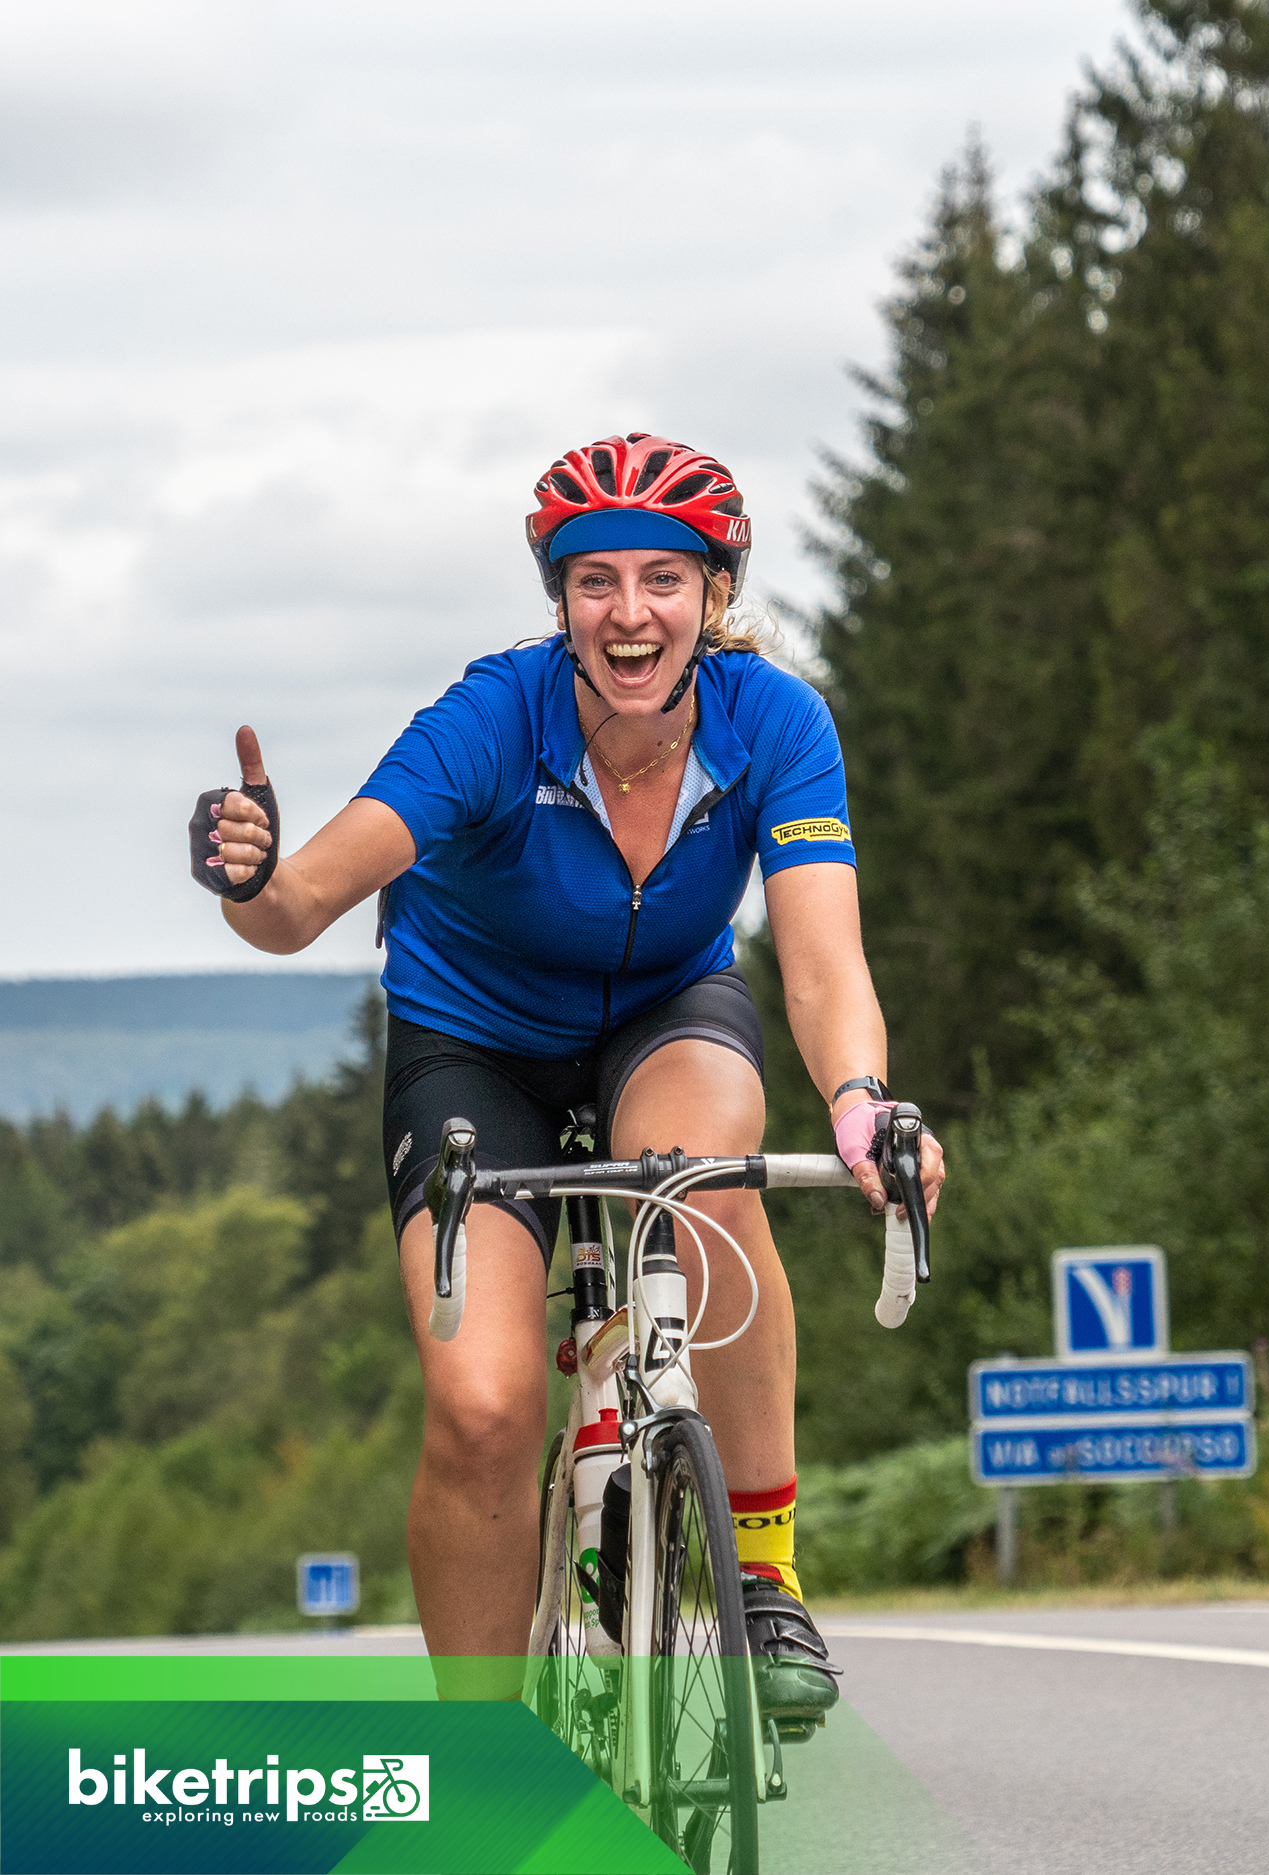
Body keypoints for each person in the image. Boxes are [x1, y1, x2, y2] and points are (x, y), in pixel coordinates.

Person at [189, 432, 945, 1712]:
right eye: (597, 580)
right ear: (560, 602)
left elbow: (820, 967)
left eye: (665, 576)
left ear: (715, 594)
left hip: (666, 1016)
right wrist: (252, 875)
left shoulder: (777, 723)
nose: (631, 611)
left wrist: (865, 1103)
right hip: (474, 1048)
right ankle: (486, 1768)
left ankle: (764, 1581)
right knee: (483, 1413)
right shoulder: (491, 717)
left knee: (706, 1182)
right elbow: (301, 905)